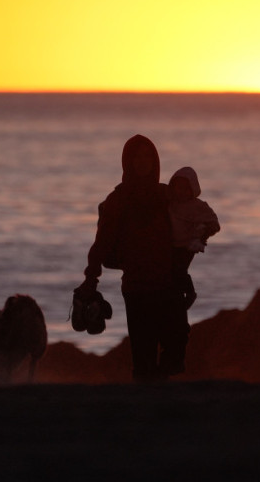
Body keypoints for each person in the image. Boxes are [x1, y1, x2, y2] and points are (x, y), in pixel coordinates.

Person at [76, 134, 190, 381]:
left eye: (147, 155)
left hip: (168, 283)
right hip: (137, 288)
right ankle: (149, 404)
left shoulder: (165, 195)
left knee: (177, 343)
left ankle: (157, 392)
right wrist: (90, 280)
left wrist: (184, 275)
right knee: (144, 357)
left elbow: (180, 238)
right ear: (128, 161)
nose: (142, 161)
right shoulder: (118, 200)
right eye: (136, 156)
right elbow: (102, 243)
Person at [167, 166, 220, 310]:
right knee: (171, 272)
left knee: (179, 269)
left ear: (192, 189)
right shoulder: (170, 204)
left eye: (185, 188)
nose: (181, 192)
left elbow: (214, 223)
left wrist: (202, 235)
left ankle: (190, 293)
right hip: (171, 245)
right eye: (178, 187)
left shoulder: (197, 206)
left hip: (188, 245)